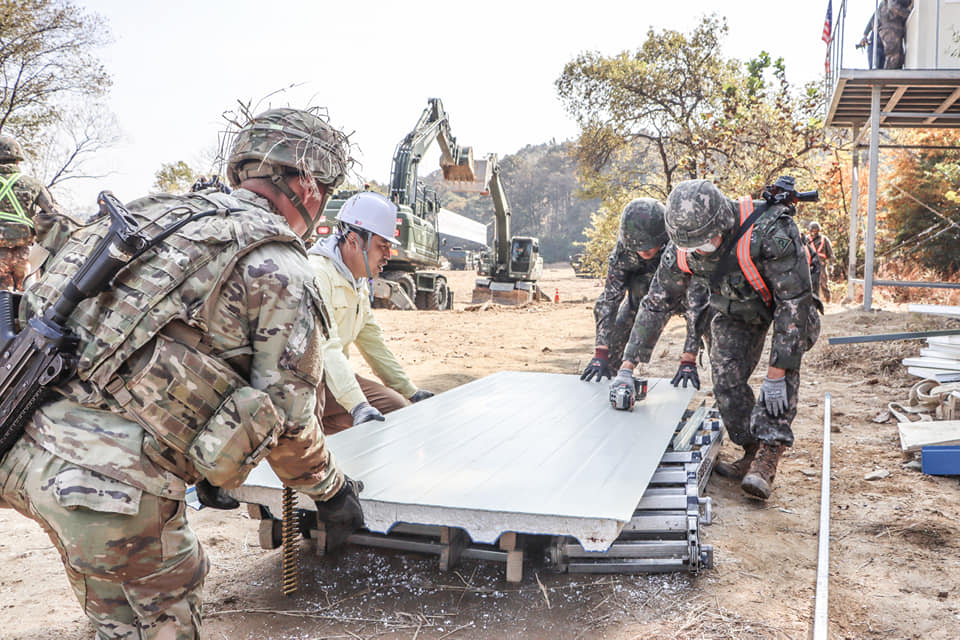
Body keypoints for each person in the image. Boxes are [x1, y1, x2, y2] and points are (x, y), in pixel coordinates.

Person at [0, 107, 365, 638]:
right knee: (156, 621)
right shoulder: (282, 267)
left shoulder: (151, 214)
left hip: (18, 446)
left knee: (110, 607)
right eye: (327, 192)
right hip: (104, 492)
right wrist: (330, 492)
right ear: (307, 184)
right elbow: (289, 421)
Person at [612, 179, 820, 500]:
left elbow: (793, 304)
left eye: (704, 241)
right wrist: (627, 367)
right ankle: (750, 447)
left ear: (721, 222)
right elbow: (657, 302)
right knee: (725, 377)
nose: (697, 250)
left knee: (782, 369)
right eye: (689, 244)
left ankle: (769, 453)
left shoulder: (771, 232)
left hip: (790, 308)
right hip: (739, 310)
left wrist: (777, 373)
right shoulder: (683, 247)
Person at [308, 191, 434, 434]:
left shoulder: (358, 280)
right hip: (302, 384)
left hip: (332, 380)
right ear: (354, 241)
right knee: (308, 437)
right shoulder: (317, 274)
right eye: (382, 246)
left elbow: (372, 341)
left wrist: (410, 391)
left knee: (394, 406)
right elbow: (326, 347)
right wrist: (357, 405)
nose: (388, 255)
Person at [580, 197, 709, 389]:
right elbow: (609, 298)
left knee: (718, 338)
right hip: (641, 302)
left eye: (647, 245)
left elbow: (698, 303)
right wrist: (601, 352)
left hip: (687, 299)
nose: (643, 250)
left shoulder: (681, 247)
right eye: (638, 246)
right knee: (613, 347)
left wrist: (688, 356)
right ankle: (616, 387)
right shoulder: (626, 248)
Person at [0, 134, 59, 291]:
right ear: (18, 160)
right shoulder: (34, 184)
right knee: (25, 303)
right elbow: (55, 214)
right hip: (25, 256)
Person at [860, 0, 913, 70]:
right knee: (893, 56)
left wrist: (865, 34)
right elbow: (893, 7)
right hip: (890, 30)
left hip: (888, 31)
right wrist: (908, 13)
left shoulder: (882, 5)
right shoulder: (886, 4)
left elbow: (874, 17)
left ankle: (888, 77)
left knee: (898, 59)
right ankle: (887, 78)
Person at [807, 221, 834, 302]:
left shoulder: (824, 240)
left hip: (821, 265)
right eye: (812, 231)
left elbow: (831, 255)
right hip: (809, 266)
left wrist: (831, 265)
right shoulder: (806, 240)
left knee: (824, 284)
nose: (814, 233)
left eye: (816, 231)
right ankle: (811, 303)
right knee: (809, 285)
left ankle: (828, 300)